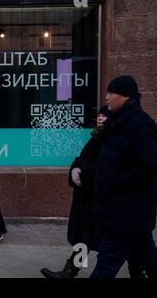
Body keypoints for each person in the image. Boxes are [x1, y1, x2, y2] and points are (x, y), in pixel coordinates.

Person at [40, 106, 145, 278]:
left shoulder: (113, 139)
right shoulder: (97, 136)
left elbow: (108, 167)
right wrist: (74, 169)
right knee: (86, 238)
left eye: (105, 116)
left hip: (101, 199)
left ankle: (137, 271)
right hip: (88, 199)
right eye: (99, 115)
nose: (100, 118)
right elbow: (82, 160)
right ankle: (70, 272)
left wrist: (83, 173)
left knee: (119, 241)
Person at [90, 75, 157, 278]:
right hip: (124, 211)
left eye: (112, 93)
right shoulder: (116, 122)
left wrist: (115, 182)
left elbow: (148, 165)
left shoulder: (138, 124)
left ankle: (73, 269)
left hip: (126, 211)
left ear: (126, 97)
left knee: (105, 265)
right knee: (149, 259)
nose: (107, 97)